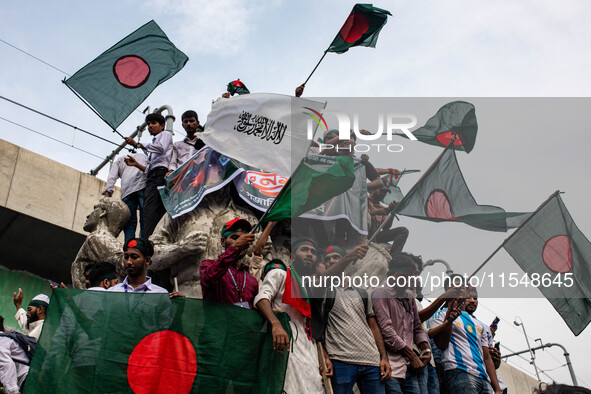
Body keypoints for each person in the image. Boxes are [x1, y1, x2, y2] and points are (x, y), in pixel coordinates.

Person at [254, 238, 326, 394]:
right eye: (304, 250)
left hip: (308, 350)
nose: (309, 254)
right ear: (292, 257)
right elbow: (261, 299)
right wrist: (276, 324)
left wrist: (322, 356)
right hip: (285, 345)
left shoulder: (308, 288)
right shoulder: (280, 274)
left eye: (313, 252)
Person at [321, 244, 392, 394]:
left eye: (336, 257)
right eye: (327, 259)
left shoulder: (362, 293)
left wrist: (383, 358)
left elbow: (373, 326)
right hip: (340, 360)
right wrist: (325, 356)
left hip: (371, 361)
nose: (331, 261)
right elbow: (317, 326)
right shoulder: (323, 292)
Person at [372, 254, 431, 394]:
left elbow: (417, 327)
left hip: (409, 366)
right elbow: (387, 330)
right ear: (389, 274)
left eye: (410, 277)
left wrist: (426, 350)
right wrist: (413, 356)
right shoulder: (380, 292)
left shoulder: (409, 295)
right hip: (389, 365)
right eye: (403, 277)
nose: (407, 281)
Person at [427, 285, 502, 394]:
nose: (471, 300)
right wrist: (449, 318)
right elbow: (441, 345)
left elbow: (486, 357)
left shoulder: (479, 324)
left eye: (474, 298)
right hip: (459, 372)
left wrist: (497, 389)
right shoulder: (439, 315)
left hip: (484, 379)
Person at [123, 113, 173, 238]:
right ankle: (151, 237)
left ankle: (149, 240)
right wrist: (136, 164)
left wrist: (138, 145)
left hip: (159, 175)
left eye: (153, 123)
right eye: (149, 124)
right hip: (153, 175)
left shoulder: (165, 134)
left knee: (151, 209)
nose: (150, 126)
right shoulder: (154, 142)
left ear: (162, 126)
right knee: (150, 210)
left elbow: (160, 149)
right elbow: (151, 166)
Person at [71, 198, 130, 289]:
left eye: (95, 209)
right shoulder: (103, 239)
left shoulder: (98, 237)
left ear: (103, 213)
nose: (88, 215)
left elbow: (124, 263)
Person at [200, 218, 258, 309]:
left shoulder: (252, 280)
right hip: (219, 323)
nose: (241, 242)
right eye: (235, 238)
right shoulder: (208, 265)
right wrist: (235, 247)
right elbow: (209, 277)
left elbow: (255, 309)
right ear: (223, 241)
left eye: (244, 239)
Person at [102, 152, 148, 242]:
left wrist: (107, 194)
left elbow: (112, 177)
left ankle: (129, 246)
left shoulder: (119, 160)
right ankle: (145, 245)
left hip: (127, 191)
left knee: (129, 222)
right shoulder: (145, 156)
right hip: (142, 187)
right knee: (145, 219)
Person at [368, 179, 409, 258]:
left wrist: (392, 212)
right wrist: (382, 211)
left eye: (385, 192)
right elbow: (366, 215)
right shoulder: (364, 200)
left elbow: (386, 227)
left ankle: (393, 257)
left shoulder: (382, 208)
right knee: (372, 218)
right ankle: (373, 248)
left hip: (376, 235)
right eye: (382, 191)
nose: (383, 194)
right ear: (374, 189)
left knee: (403, 231)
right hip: (365, 233)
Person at [167, 110, 205, 176]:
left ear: (197, 123)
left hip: (200, 177)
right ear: (183, 125)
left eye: (191, 121)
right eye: (186, 122)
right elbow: (173, 163)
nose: (188, 124)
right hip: (182, 179)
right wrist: (171, 172)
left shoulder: (205, 142)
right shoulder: (177, 145)